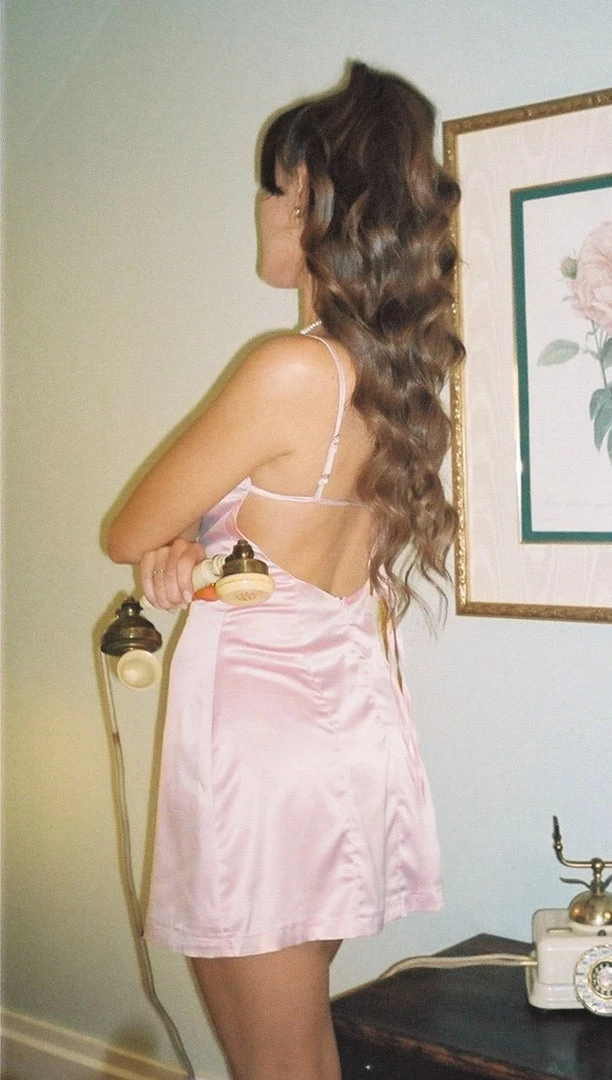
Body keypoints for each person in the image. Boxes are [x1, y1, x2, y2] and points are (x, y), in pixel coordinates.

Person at [107, 60, 463, 1080]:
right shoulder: (394, 374)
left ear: (309, 196)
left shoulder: (290, 368)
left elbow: (127, 530)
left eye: (271, 187)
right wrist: (197, 557)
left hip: (259, 755)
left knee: (277, 1064)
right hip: (343, 734)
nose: (262, 209)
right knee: (292, 1049)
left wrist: (171, 546)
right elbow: (282, 543)